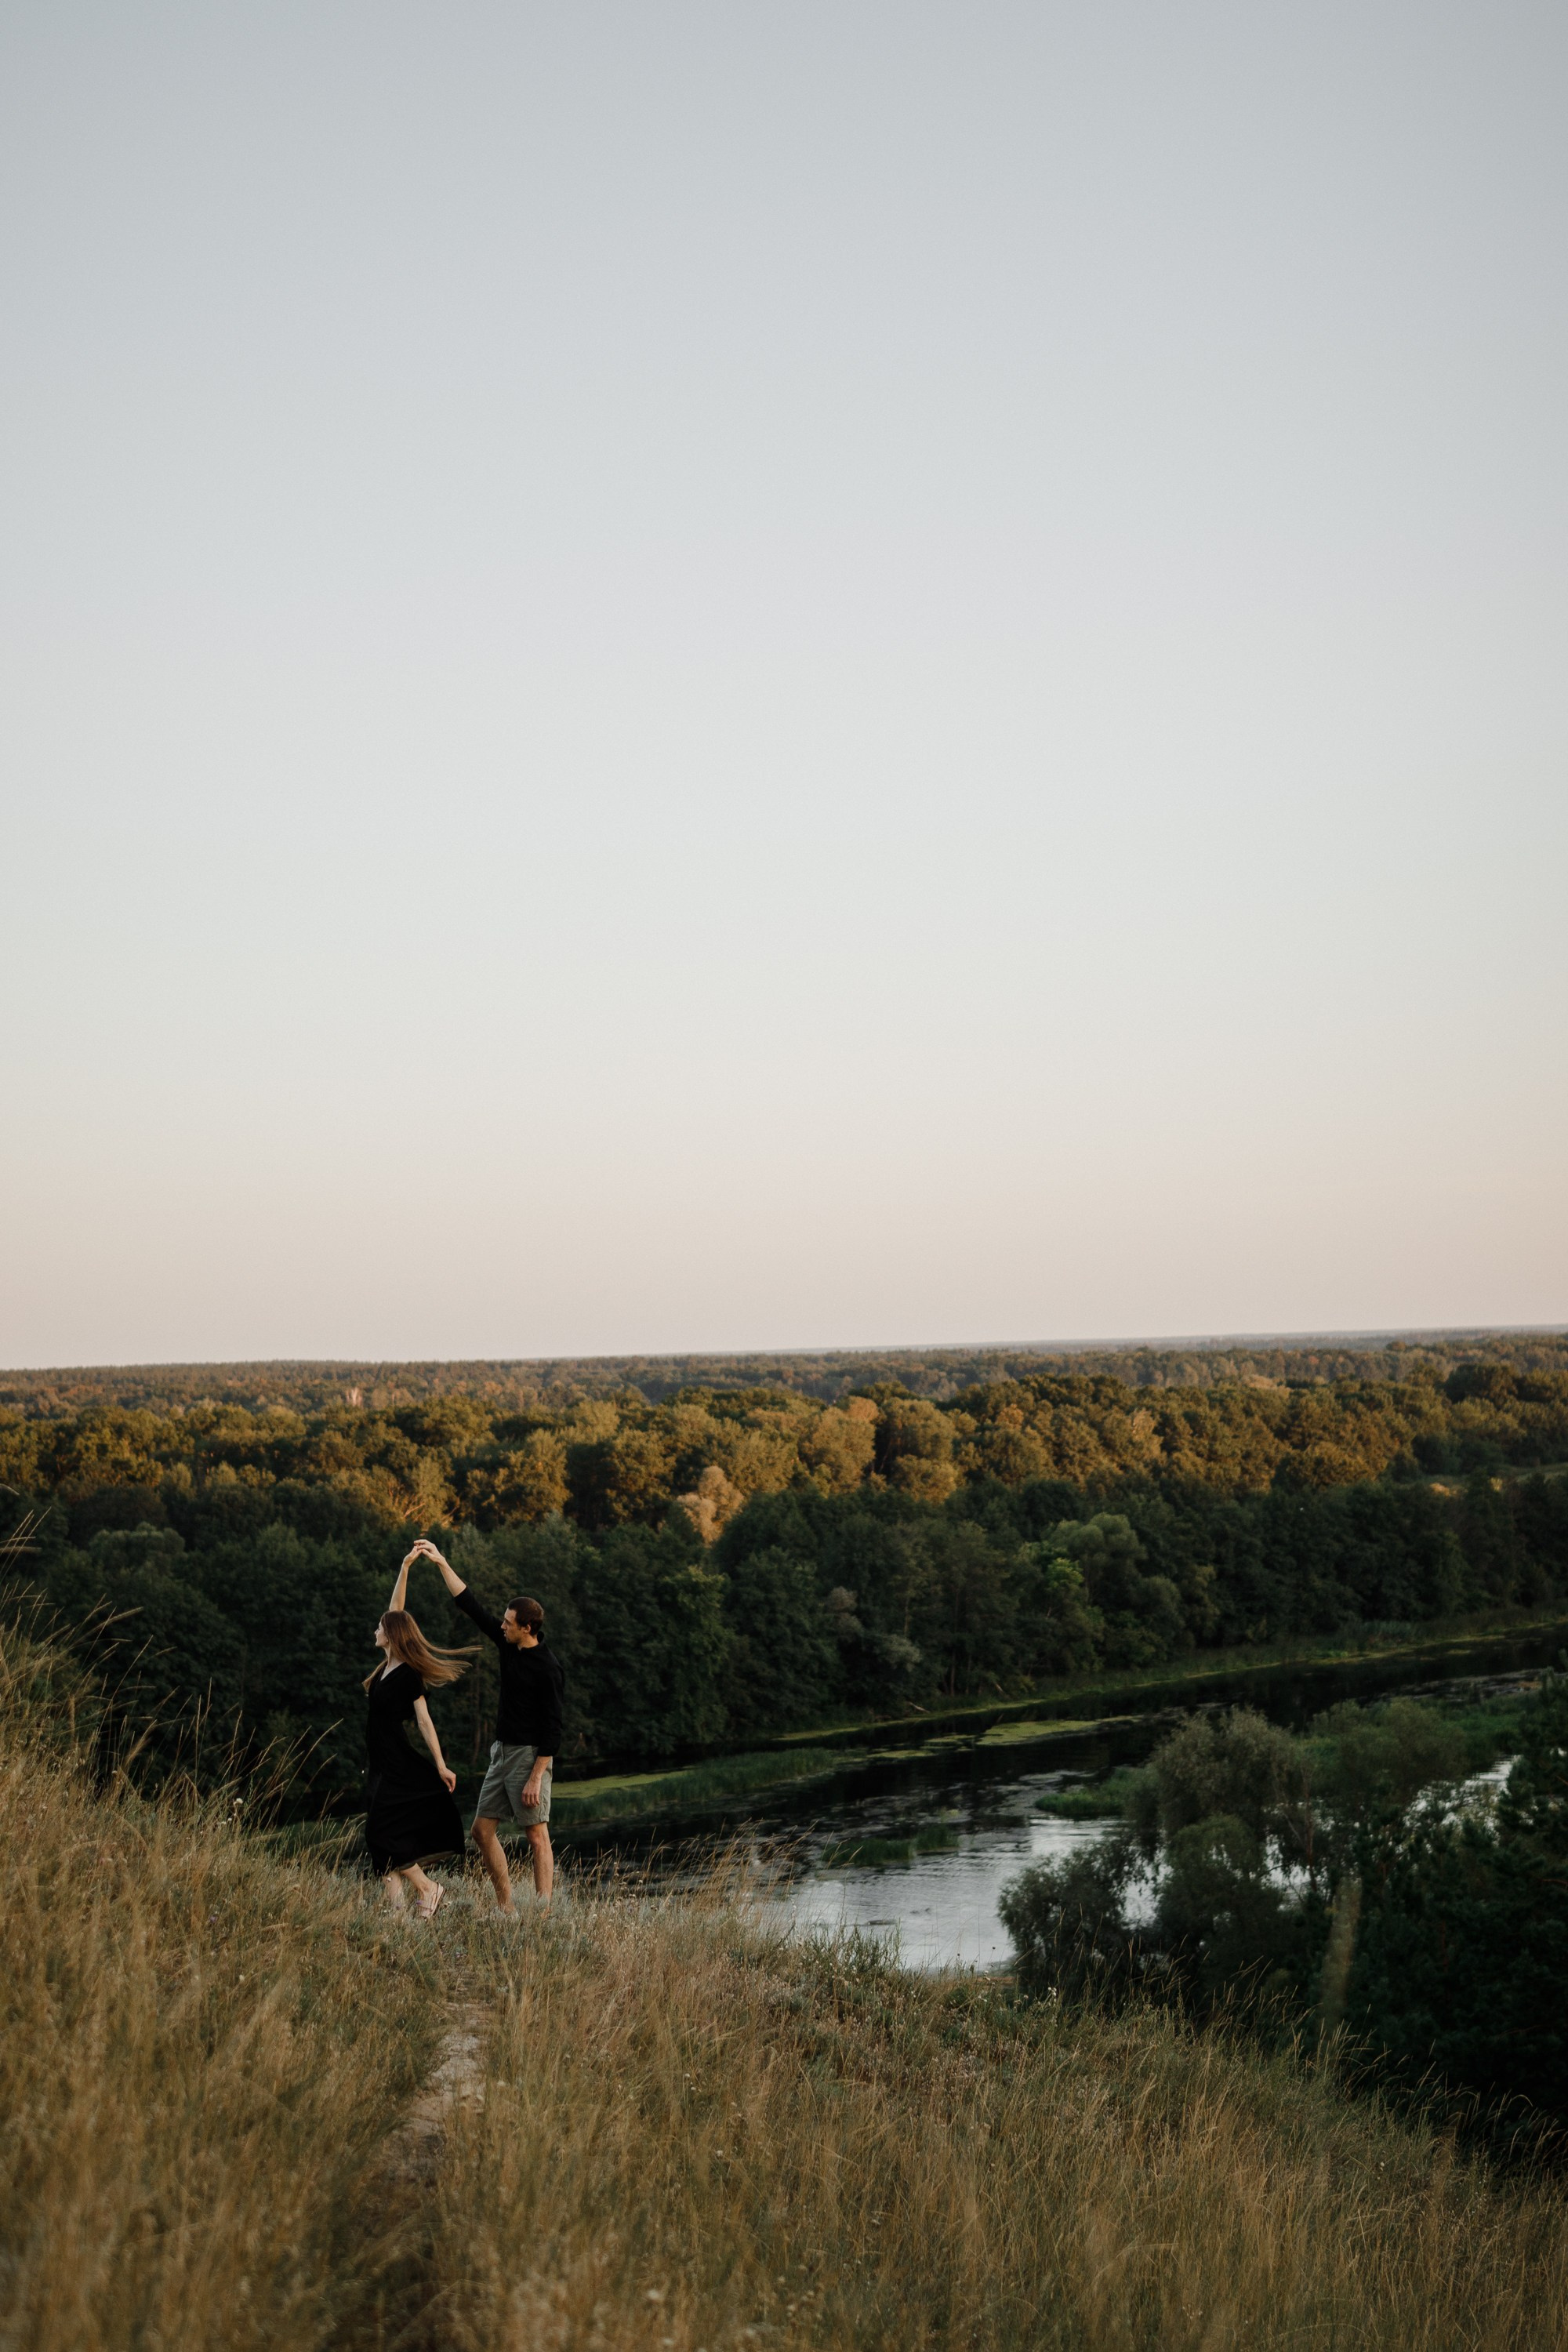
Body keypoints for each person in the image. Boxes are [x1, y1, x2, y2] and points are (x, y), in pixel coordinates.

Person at [410, 1538, 564, 1911]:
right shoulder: (508, 1644)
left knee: (537, 1835)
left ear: (527, 1628)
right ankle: (507, 1907)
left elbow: (554, 1728)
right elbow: (469, 1604)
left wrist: (535, 1776)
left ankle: (544, 1915)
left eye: (509, 1623)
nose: (502, 1625)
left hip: (530, 1757)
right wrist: (441, 1562)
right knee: (481, 1831)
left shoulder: (548, 1667)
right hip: (501, 1752)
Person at [364, 1547, 475, 1918]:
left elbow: (425, 1721)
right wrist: (404, 1567)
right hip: (379, 1762)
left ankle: (428, 1888)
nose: (375, 1630)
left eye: (379, 1627)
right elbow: (395, 1611)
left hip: (396, 1762)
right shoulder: (389, 1662)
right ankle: (397, 1920)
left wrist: (441, 1765)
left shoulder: (408, 1672)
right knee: (381, 1845)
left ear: (391, 1635)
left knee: (380, 1835)